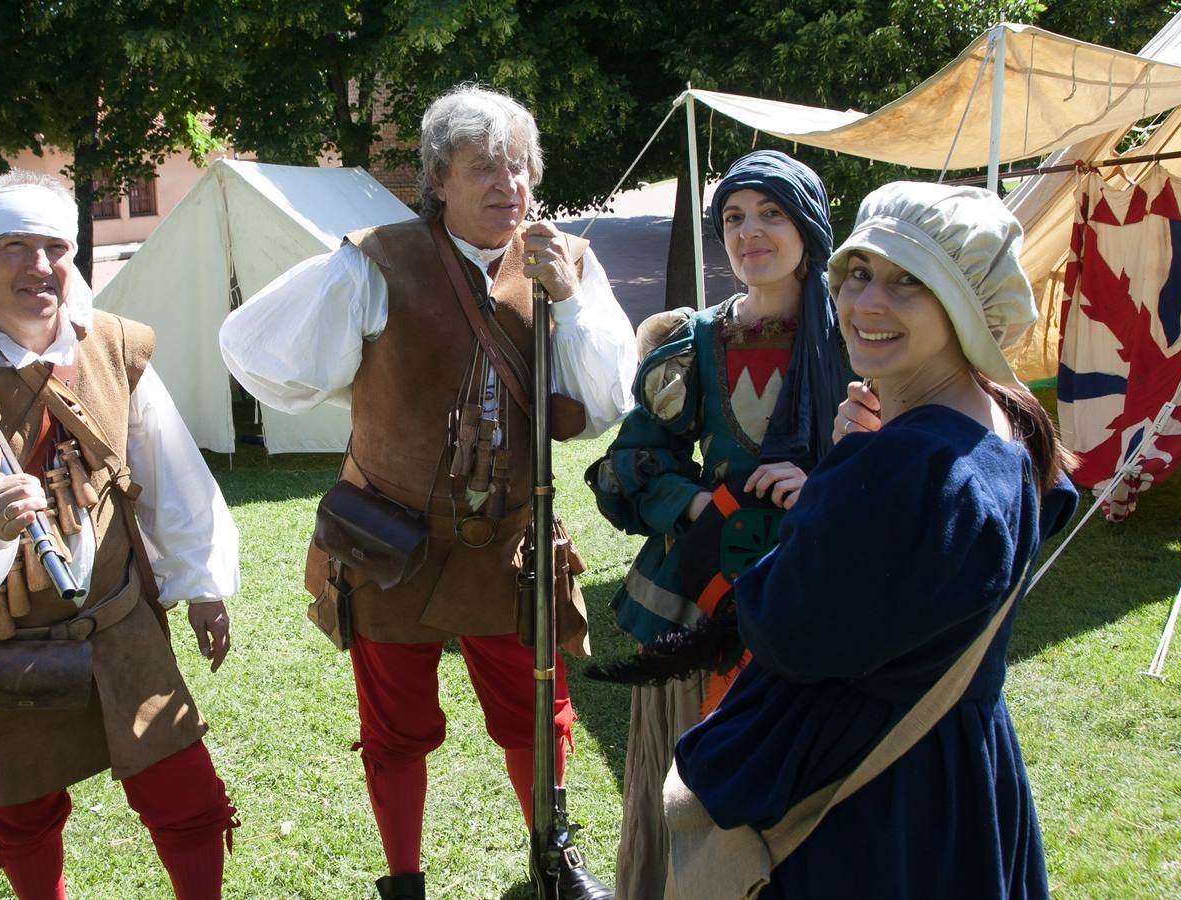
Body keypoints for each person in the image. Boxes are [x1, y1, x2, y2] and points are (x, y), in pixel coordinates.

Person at [219, 84, 636, 900]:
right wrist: (360, 395)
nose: (507, 185)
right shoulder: (374, 260)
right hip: (389, 542)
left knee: (536, 713)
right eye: (483, 167)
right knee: (396, 730)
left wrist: (569, 297)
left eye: (518, 167)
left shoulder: (567, 263)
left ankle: (552, 859)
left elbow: (606, 400)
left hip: (510, 539)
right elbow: (257, 348)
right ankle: (404, 881)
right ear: (438, 180)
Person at [669, 181, 1079, 897]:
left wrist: (842, 477)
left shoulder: (902, 468)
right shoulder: (1005, 422)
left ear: (965, 303)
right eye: (858, 273)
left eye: (908, 282)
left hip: (875, 804)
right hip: (959, 765)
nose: (866, 303)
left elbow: (785, 628)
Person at [0, 170, 241, 900]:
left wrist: (202, 585)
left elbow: (170, 470)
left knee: (188, 799)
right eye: (14, 247)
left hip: (117, 621)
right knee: (21, 820)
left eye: (54, 248)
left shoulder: (112, 345)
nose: (39, 266)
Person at [584, 149, 849, 899]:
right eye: (733, 217)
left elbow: (903, 458)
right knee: (688, 767)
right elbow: (634, 459)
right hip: (702, 591)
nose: (749, 232)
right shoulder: (697, 340)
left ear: (808, 226)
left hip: (818, 588)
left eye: (770, 214)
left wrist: (823, 484)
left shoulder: (859, 336)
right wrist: (700, 505)